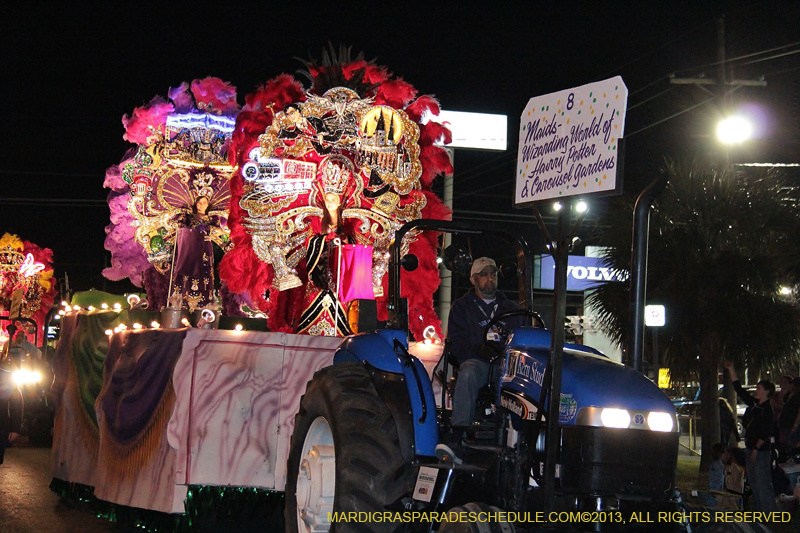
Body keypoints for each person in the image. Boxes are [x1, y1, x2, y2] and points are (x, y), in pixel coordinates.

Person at [436, 257, 525, 463]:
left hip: (506, 363)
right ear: (473, 279)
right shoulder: (462, 307)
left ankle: (523, 436)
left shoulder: (511, 308)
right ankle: (458, 435)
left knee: (523, 377)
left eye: (493, 274)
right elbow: (456, 343)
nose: (489, 278)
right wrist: (479, 351)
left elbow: (522, 337)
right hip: (479, 362)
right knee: (468, 372)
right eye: (484, 274)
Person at [724, 361, 778, 513]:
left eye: (759, 388)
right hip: (750, 448)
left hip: (760, 451)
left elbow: (766, 431)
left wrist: (756, 448)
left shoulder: (767, 410)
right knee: (754, 482)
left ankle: (769, 512)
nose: (756, 390)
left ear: (767, 392)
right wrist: (731, 369)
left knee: (763, 482)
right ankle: (761, 511)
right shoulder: (755, 405)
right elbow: (739, 390)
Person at [169, 195, 221, 312]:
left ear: (208, 205)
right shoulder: (188, 217)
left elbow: (218, 230)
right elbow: (179, 228)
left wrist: (207, 229)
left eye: (204, 202)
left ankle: (203, 304)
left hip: (204, 250)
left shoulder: (212, 218)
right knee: (185, 272)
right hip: (189, 250)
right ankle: (181, 302)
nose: (201, 205)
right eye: (199, 202)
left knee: (203, 274)